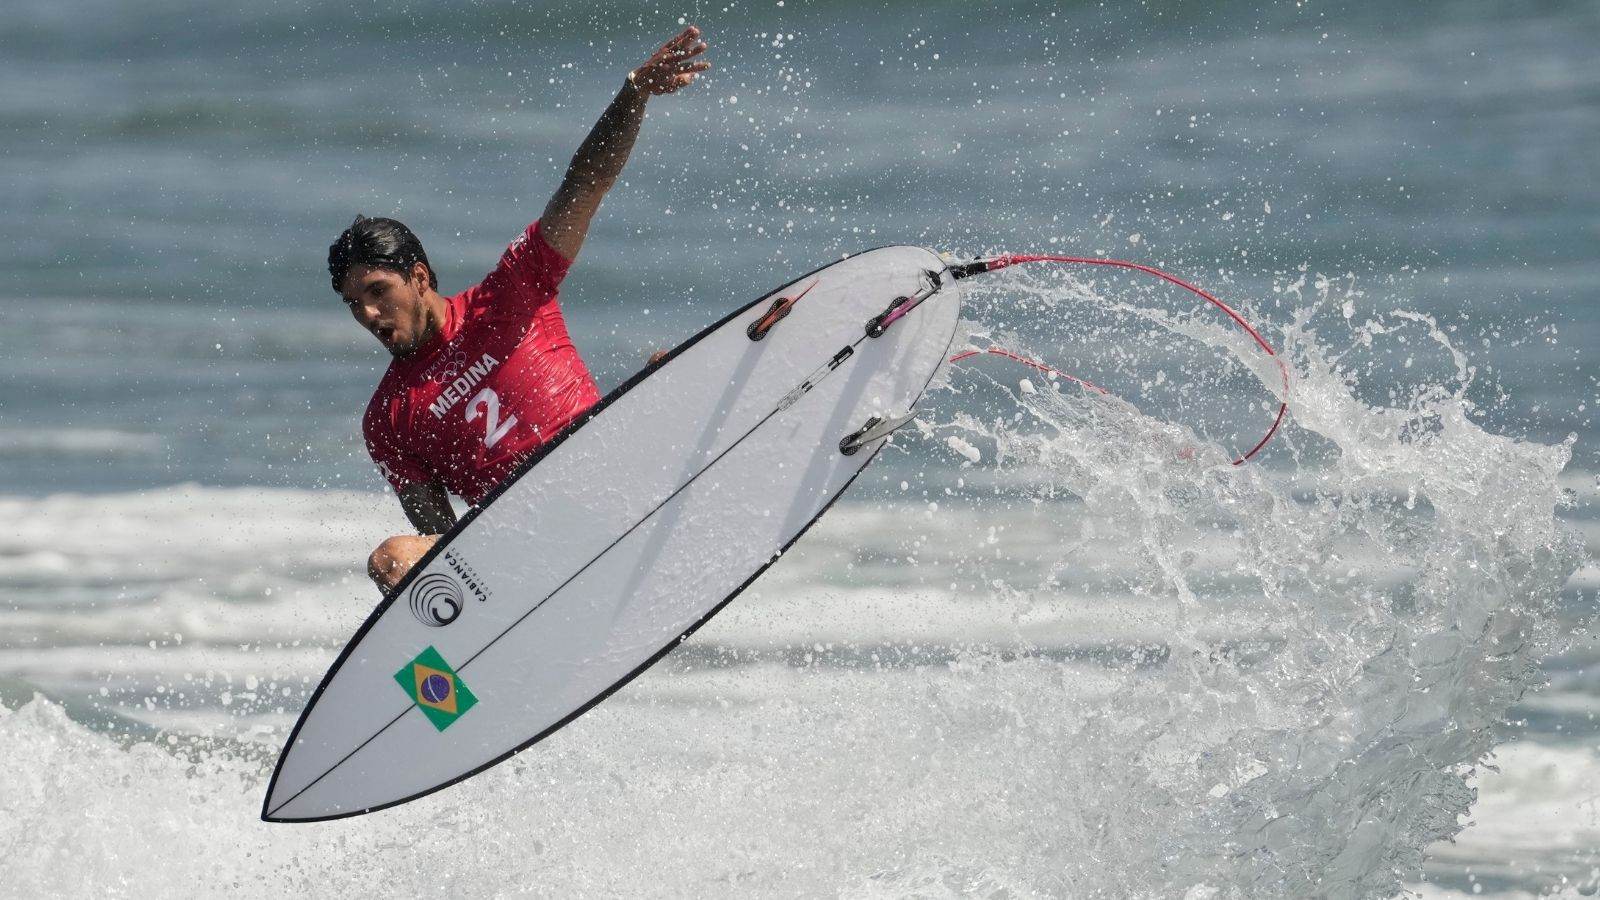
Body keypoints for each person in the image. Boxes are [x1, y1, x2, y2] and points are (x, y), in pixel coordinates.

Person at [327, 27, 711, 593]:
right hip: (524, 548)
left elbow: (584, 184)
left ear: (420, 277)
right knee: (395, 560)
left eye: (377, 292)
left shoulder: (512, 293)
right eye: (353, 304)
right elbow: (445, 554)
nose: (367, 315)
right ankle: (470, 680)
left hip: (611, 478)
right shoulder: (388, 419)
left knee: (675, 367)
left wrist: (635, 94)